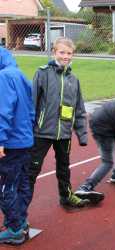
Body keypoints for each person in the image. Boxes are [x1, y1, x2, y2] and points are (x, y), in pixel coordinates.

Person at [28, 37, 89, 211]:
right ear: (54, 52)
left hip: (64, 134)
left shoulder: (74, 79)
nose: (66, 56)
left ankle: (66, 196)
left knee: (64, 168)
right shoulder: (43, 73)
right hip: (42, 132)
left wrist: (82, 134)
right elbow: (32, 103)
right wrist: (29, 128)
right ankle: (20, 209)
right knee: (32, 170)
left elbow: (79, 108)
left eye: (69, 53)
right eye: (62, 52)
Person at [0, 47, 34, 245]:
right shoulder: (20, 74)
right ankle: (20, 220)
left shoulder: (4, 77)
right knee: (22, 183)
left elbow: (3, 112)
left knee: (5, 187)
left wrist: (1, 140)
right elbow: (31, 110)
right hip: (24, 141)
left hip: (11, 143)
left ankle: (14, 228)